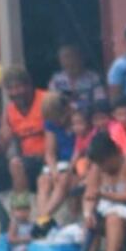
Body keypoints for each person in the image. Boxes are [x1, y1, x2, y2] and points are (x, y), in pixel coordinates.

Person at [0, 67, 48, 195]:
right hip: (28, 161)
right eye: (10, 88)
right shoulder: (9, 111)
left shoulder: (46, 100)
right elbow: (3, 148)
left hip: (52, 156)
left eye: (18, 87)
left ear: (29, 85)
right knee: (15, 163)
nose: (15, 92)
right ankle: (22, 210)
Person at [34, 91, 75, 232]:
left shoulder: (77, 118)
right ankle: (43, 220)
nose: (57, 123)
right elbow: (50, 153)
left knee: (63, 181)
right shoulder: (51, 124)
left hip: (75, 162)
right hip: (60, 163)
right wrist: (54, 170)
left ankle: (41, 220)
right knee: (43, 180)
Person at [47, 42, 106, 112]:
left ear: (80, 58)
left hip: (87, 118)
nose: (68, 61)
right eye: (64, 58)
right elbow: (51, 104)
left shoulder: (93, 78)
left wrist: (77, 106)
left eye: (71, 56)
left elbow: (100, 102)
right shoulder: (56, 80)